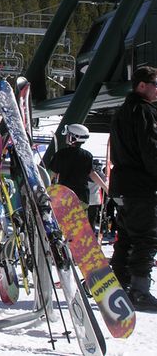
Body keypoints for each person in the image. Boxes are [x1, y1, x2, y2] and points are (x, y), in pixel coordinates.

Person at [110, 66, 157, 312]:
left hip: (120, 183)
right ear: (141, 85)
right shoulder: (144, 112)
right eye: (155, 84)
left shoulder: (121, 112)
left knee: (127, 235)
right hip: (139, 185)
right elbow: (151, 150)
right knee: (145, 237)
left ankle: (119, 282)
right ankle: (139, 290)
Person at [49, 123, 108, 206]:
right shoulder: (87, 155)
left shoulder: (61, 154)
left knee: (64, 218)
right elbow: (92, 174)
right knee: (79, 218)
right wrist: (105, 188)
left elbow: (53, 175)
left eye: (68, 135)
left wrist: (49, 191)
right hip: (82, 197)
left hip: (64, 195)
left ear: (72, 137)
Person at [87, 159, 107, 233]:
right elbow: (106, 182)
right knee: (91, 219)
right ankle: (91, 233)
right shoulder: (101, 175)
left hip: (88, 199)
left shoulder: (88, 173)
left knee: (89, 219)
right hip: (94, 200)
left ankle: (90, 233)